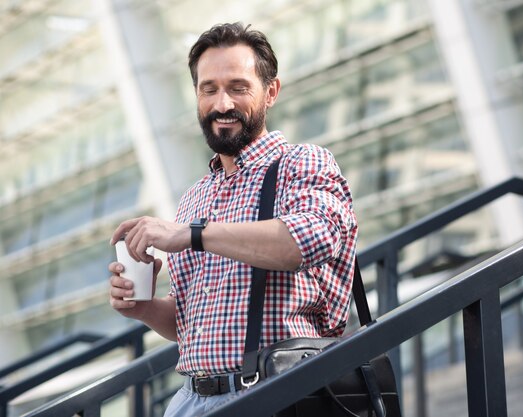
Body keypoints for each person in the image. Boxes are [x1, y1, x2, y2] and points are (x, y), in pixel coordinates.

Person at [108, 22, 358, 416]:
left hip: (276, 395)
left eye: (238, 87)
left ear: (270, 92)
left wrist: (191, 235)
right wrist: (144, 308)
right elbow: (195, 326)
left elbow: (307, 241)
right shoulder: (195, 198)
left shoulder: (302, 162)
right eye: (209, 89)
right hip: (191, 400)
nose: (222, 104)